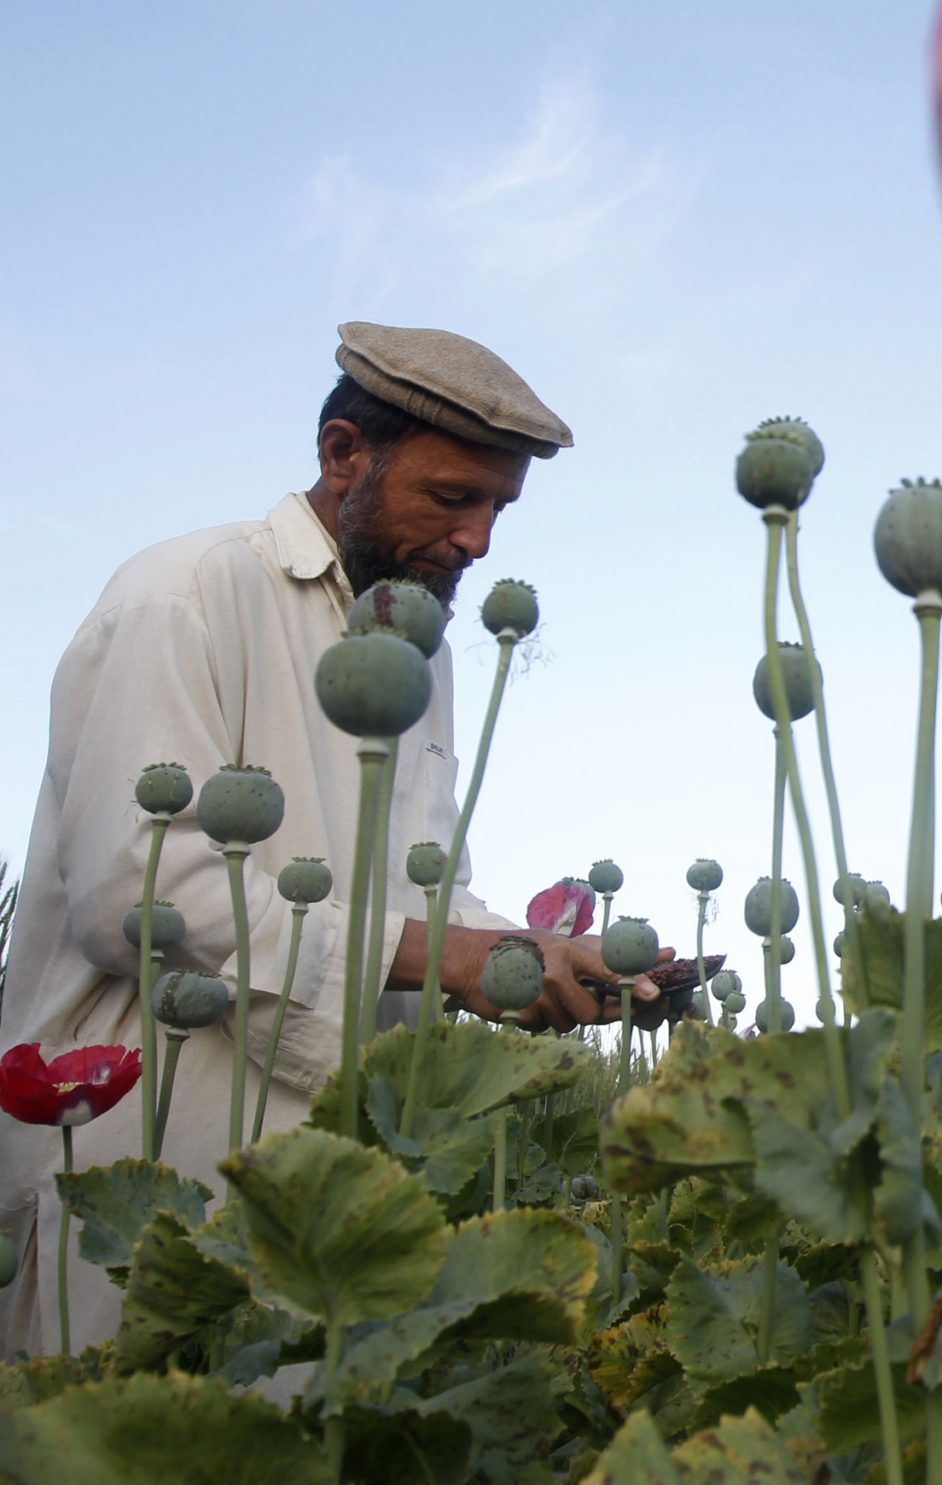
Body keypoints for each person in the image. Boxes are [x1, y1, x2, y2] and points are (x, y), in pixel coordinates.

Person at [0, 322, 657, 1355]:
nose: (479, 541)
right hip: (153, 1156)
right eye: (453, 497)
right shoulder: (184, 593)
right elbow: (138, 891)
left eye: (499, 508)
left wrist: (534, 958)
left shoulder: (422, 649)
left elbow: (428, 890)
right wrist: (447, 954)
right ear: (344, 453)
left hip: (338, 1178)